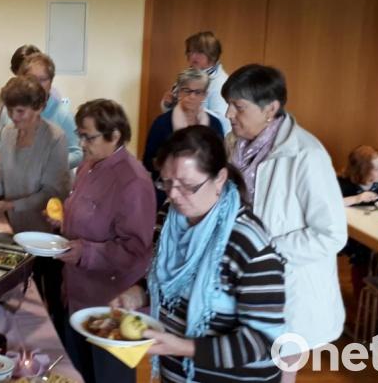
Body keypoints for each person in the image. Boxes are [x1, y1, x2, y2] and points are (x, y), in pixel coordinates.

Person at [112, 126, 286, 383]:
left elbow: (263, 340)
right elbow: (167, 279)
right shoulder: (169, 218)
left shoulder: (248, 243)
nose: (173, 194)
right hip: (179, 373)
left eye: (188, 185)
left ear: (219, 179)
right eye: (167, 182)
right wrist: (136, 294)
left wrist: (183, 347)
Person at [223, 64, 347, 383]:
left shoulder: (306, 155)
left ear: (271, 109)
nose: (228, 114)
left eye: (238, 106)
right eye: (229, 104)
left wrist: (265, 253)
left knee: (278, 374)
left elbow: (331, 234)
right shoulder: (231, 144)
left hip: (286, 289)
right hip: (237, 279)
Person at [51, 99, 156, 383]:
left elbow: (135, 251)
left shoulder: (134, 181)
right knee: (77, 373)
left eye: (89, 136)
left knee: (110, 377)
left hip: (111, 304)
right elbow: (89, 218)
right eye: (80, 135)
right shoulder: (89, 166)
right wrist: (62, 221)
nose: (82, 143)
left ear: (115, 135)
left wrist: (85, 252)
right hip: (75, 294)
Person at [0, 75, 71, 334]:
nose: (14, 117)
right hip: (15, 229)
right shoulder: (8, 134)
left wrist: (9, 206)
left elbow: (53, 192)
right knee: (17, 297)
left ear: (39, 108)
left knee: (46, 298)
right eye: (10, 110)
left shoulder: (55, 138)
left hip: (46, 232)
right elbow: (1, 181)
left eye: (20, 111)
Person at [144, 67, 225, 208]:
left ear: (205, 95)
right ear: (179, 92)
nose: (192, 96)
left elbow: (221, 162)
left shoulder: (214, 124)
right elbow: (147, 161)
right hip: (166, 191)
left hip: (203, 191)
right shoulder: (162, 123)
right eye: (187, 90)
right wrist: (169, 164)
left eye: (198, 92)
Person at [0, 53, 82, 169]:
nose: (37, 84)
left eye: (43, 79)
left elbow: (77, 153)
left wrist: (47, 164)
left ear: (51, 82)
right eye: (31, 78)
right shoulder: (8, 110)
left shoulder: (63, 115)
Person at [338, 145, 378, 299]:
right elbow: (331, 203)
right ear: (362, 170)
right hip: (351, 233)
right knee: (363, 254)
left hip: (376, 228)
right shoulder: (344, 184)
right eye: (376, 168)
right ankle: (361, 295)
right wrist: (358, 198)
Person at [161, 31, 230, 134]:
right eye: (190, 52)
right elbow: (174, 112)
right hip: (180, 135)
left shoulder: (221, 82)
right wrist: (168, 104)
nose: (192, 56)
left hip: (206, 140)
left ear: (212, 54)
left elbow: (223, 122)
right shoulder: (188, 75)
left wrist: (193, 106)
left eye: (198, 52)